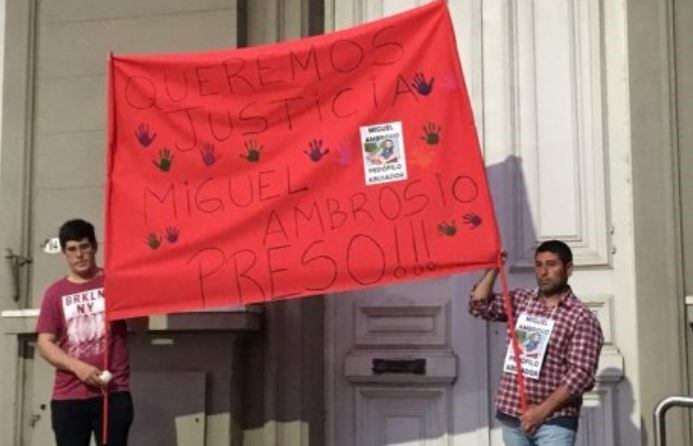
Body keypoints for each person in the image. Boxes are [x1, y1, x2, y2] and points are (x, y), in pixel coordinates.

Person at [469, 240, 603, 446]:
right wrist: (492, 270)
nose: (543, 271)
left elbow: (581, 374)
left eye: (551, 264)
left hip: (554, 421)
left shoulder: (581, 317)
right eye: (539, 264)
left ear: (568, 269)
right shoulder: (523, 301)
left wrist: (541, 411)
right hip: (514, 416)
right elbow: (479, 306)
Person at [36, 219, 133, 446]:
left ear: (95, 247)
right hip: (69, 396)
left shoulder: (113, 283)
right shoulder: (55, 293)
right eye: (72, 249)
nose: (79, 254)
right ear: (64, 253)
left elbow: (142, 326)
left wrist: (129, 295)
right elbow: (44, 344)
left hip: (112, 391)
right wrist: (78, 368)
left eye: (84, 246)